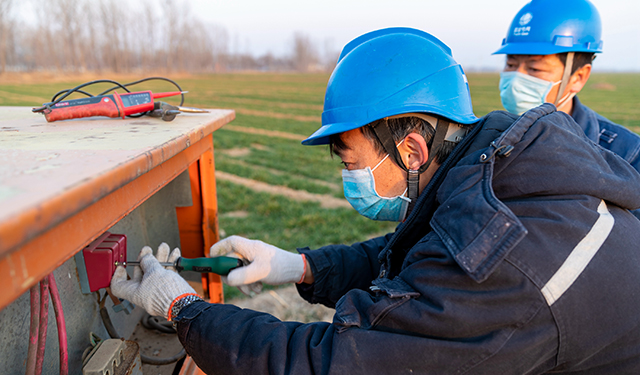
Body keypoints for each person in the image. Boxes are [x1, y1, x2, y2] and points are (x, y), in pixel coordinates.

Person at [111, 28, 640, 374]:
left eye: (349, 160)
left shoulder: (498, 265)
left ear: (411, 147)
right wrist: (301, 267)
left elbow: (334, 364)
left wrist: (183, 309)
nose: (350, 176)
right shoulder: (504, 170)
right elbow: (425, 253)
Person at [494, 0, 640, 175]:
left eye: (535, 68)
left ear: (578, 77)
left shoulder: (626, 154)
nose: (517, 78)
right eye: (510, 65)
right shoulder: (485, 137)